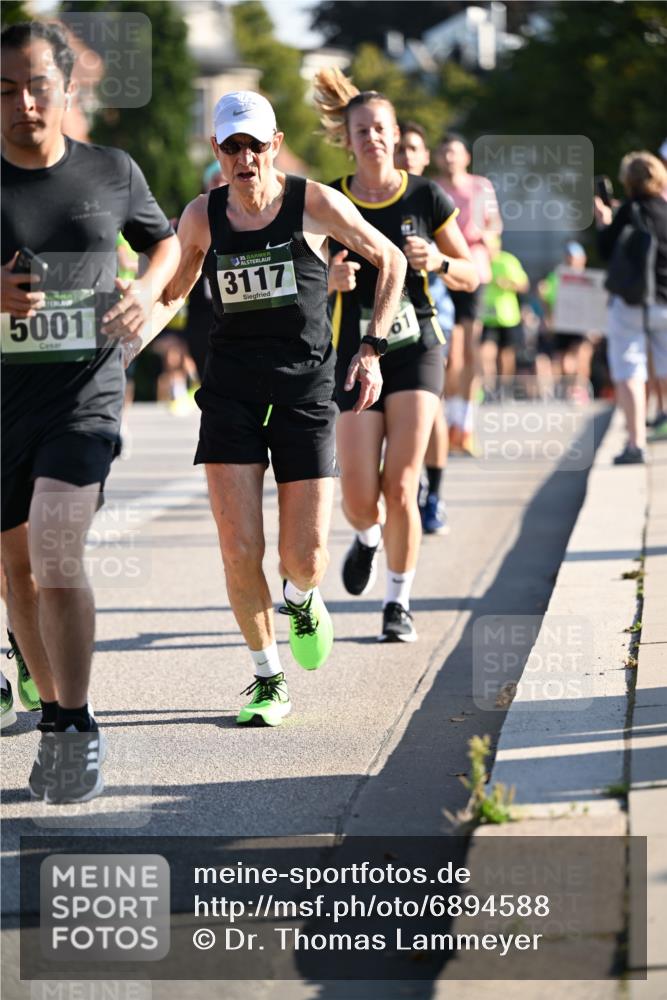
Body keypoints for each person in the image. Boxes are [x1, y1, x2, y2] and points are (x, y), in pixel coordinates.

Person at [148, 90, 406, 725]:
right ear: (217, 151)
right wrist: (124, 345)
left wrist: (371, 347)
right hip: (231, 394)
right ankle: (268, 676)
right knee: (238, 546)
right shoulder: (202, 215)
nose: (244, 157)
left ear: (276, 145)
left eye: (254, 145)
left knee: (305, 557)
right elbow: (174, 293)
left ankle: (301, 595)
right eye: (231, 146)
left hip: (304, 395)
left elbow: (390, 259)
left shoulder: (313, 202)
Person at [1, 22, 180, 801]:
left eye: (38, 84)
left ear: (66, 89)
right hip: (5, 404)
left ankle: (73, 723)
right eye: (5, 89)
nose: (23, 102)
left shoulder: (110, 170)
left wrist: (146, 290)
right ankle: (49, 712)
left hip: (86, 396)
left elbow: (166, 243)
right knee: (17, 570)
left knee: (54, 544)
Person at [313, 69, 478, 642]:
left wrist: (439, 261)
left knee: (402, 485)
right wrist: (327, 279)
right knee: (360, 496)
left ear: (393, 133)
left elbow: (473, 270)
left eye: (380, 127)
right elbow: (300, 277)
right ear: (349, 137)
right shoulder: (330, 200)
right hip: (353, 358)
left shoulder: (425, 195)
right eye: (362, 130)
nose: (373, 138)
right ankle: (366, 537)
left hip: (414, 352)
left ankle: (398, 601)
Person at [395, 121, 455, 536]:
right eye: (401, 148)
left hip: (432, 308)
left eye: (414, 148)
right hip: (377, 315)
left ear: (425, 156)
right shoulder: (368, 194)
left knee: (430, 408)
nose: (406, 155)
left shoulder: (430, 197)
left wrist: (436, 257)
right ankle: (404, 481)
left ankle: (432, 493)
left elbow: (469, 261)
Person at [594, 151, 667, 462]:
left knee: (630, 371)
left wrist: (604, 222)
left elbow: (606, 250)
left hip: (629, 302)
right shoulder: (666, 210)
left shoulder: (626, 211)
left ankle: (635, 444)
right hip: (665, 301)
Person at [435, 132, 501, 455]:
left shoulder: (481, 187)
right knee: (451, 352)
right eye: (444, 153)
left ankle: (466, 425)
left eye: (454, 153)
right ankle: (449, 423)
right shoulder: (433, 189)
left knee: (471, 349)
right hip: (442, 273)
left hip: (475, 270)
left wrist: (485, 238)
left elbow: (495, 225)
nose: (449, 158)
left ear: (466, 158)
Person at [480, 237, 529, 392]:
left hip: (508, 317)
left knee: (506, 356)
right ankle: (490, 388)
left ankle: (505, 388)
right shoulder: (480, 262)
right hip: (487, 317)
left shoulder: (508, 261)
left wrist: (507, 283)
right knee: (486, 354)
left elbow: (524, 285)